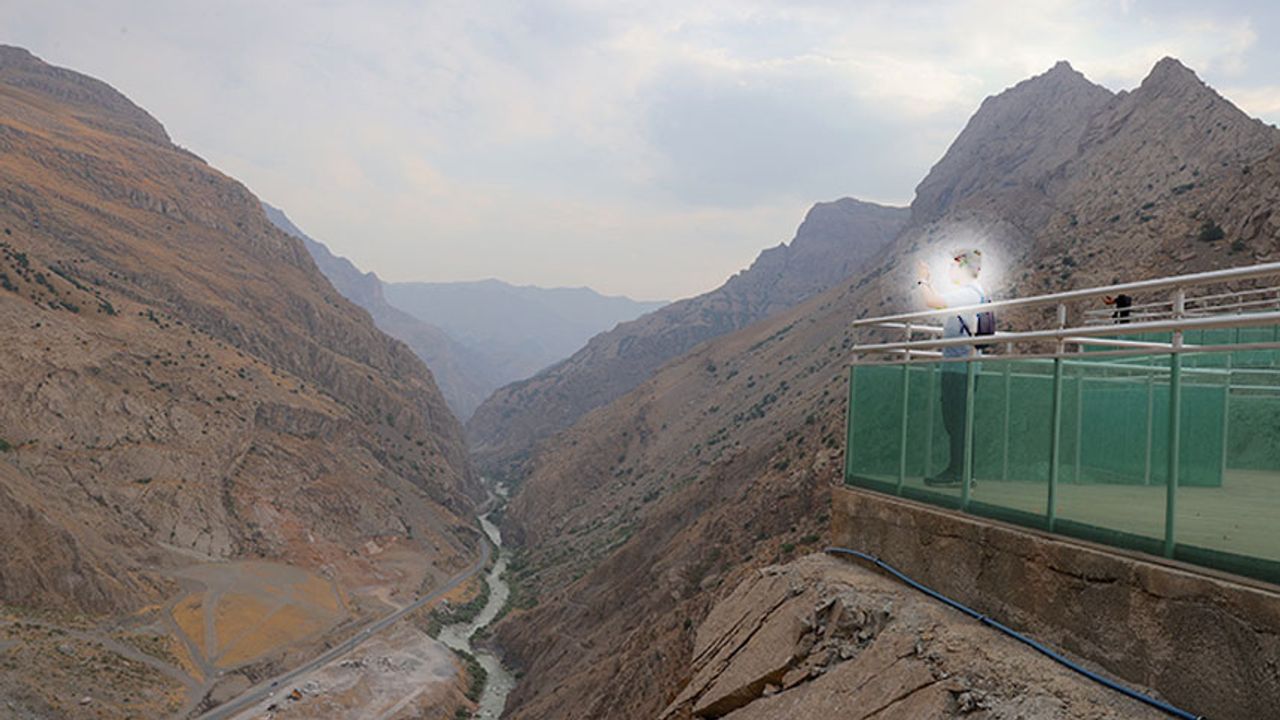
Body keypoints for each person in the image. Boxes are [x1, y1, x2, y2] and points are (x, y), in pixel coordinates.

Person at [916, 249, 986, 487]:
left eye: (952, 266)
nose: (949, 271)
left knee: (957, 422)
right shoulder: (971, 294)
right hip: (961, 367)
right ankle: (961, 472)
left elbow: (932, 302)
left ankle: (959, 473)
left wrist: (923, 280)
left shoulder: (969, 294)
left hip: (960, 368)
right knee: (958, 421)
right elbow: (941, 302)